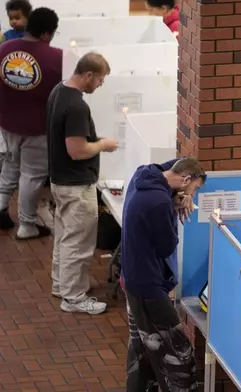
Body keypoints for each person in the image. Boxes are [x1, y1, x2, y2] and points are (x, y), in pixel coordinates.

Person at [121, 157, 205, 391]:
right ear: (186, 179)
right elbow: (167, 245)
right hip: (148, 287)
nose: (193, 196)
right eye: (194, 189)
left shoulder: (143, 174)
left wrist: (180, 192)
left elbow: (176, 163)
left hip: (131, 278)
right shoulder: (159, 202)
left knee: (142, 348)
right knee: (179, 354)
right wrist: (174, 206)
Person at [47, 52, 118, 314]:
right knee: (78, 243)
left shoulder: (58, 91)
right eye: (99, 80)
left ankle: (61, 285)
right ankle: (74, 297)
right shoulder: (77, 106)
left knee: (65, 238)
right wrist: (103, 145)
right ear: (88, 75)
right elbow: (76, 150)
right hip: (77, 186)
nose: (99, 85)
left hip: (60, 181)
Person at [0, 7, 61, 239]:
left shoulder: (4, 49)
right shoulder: (56, 57)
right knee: (32, 175)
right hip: (38, 129)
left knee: (11, 165)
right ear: (46, 34)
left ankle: (1, 206)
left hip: (7, 122)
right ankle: (27, 225)